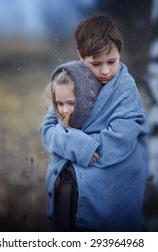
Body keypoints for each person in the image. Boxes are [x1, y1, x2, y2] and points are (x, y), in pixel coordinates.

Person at [40, 13, 149, 231]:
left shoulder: (125, 89)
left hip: (114, 187)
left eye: (112, 61)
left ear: (120, 53)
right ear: (81, 56)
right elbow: (48, 130)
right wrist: (79, 146)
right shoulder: (70, 79)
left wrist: (80, 145)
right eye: (96, 63)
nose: (106, 70)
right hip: (71, 193)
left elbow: (119, 141)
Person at [44, 60, 102, 231]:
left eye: (71, 103)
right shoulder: (57, 118)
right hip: (62, 195)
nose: (64, 110)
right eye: (60, 104)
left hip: (87, 205)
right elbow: (47, 131)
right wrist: (74, 144)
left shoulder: (97, 118)